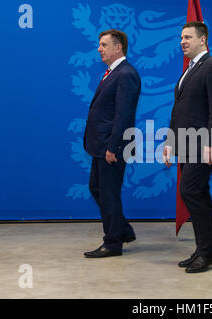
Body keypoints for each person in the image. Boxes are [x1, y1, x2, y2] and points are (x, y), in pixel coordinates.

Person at [163, 21, 212, 273]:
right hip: (185, 144)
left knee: (190, 191)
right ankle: (205, 251)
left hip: (202, 145)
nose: (183, 41)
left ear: (203, 40)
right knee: (198, 194)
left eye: (188, 37)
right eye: (181, 37)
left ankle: (207, 252)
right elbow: (178, 110)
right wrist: (170, 143)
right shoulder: (188, 70)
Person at [83, 29, 141, 258]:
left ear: (118, 48)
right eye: (99, 44)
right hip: (102, 145)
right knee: (97, 189)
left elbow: (123, 115)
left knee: (108, 194)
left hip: (112, 147)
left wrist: (113, 147)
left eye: (104, 44)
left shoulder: (126, 74)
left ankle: (112, 243)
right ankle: (123, 229)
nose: (99, 48)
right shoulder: (112, 73)